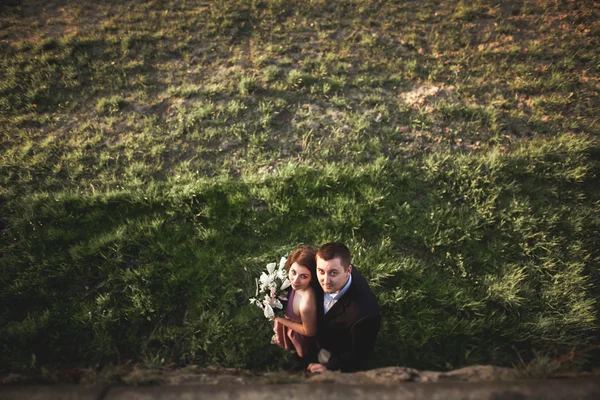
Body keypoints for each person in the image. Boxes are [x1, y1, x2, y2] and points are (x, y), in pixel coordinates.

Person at [307, 242, 380, 373]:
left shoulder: (364, 314)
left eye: (333, 273)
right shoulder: (324, 271)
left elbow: (359, 354)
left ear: (348, 271)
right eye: (321, 271)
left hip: (336, 350)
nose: (325, 280)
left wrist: (328, 367)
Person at [272, 245, 319, 362]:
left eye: (304, 276)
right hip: (287, 324)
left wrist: (278, 318)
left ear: (312, 277)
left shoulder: (306, 303)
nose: (295, 280)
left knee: (301, 355)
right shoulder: (290, 282)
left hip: (298, 334)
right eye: (293, 272)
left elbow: (309, 331)